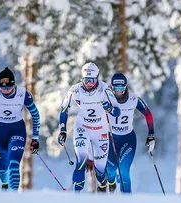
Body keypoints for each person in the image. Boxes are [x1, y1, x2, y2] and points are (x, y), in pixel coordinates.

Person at [0, 67, 40, 191]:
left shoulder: (23, 93)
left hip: (17, 129)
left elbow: (35, 114)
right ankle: (5, 185)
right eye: (2, 88)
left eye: (9, 88)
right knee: (2, 169)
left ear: (14, 85)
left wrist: (35, 138)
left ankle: (13, 196)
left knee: (14, 164)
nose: (5, 91)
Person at [58, 62, 121, 192]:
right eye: (86, 80)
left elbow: (117, 111)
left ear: (97, 78)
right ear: (82, 79)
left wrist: (109, 108)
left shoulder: (104, 89)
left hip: (100, 130)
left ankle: (102, 187)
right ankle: (76, 196)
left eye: (92, 80)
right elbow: (64, 109)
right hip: (83, 128)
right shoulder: (75, 90)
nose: (89, 84)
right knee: (81, 161)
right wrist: (63, 131)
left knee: (100, 168)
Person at [106, 73, 155, 193]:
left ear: (126, 87)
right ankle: (112, 181)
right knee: (110, 169)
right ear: (111, 87)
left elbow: (148, 114)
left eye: (121, 89)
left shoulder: (133, 99)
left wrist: (151, 135)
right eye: (115, 89)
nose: (118, 92)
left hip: (128, 139)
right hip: (111, 138)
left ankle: (127, 200)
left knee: (123, 170)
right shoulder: (106, 98)